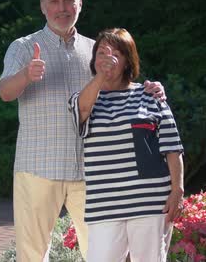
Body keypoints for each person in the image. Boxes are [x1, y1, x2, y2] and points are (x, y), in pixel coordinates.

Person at [0, 0, 165, 261]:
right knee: (32, 256)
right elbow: (4, 92)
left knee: (103, 254)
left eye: (68, 0)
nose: (61, 8)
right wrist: (26, 74)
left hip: (92, 171)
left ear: (80, 3)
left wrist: (149, 89)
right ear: (42, 6)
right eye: (54, 1)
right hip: (38, 167)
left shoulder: (94, 50)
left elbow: (120, 87)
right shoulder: (23, 47)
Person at [69, 28, 185, 262]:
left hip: (151, 202)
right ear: (93, 60)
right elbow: (81, 111)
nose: (108, 59)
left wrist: (177, 190)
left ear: (127, 61)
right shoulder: (84, 99)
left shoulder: (150, 96)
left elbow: (172, 147)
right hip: (104, 205)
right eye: (101, 53)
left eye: (116, 54)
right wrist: (101, 75)